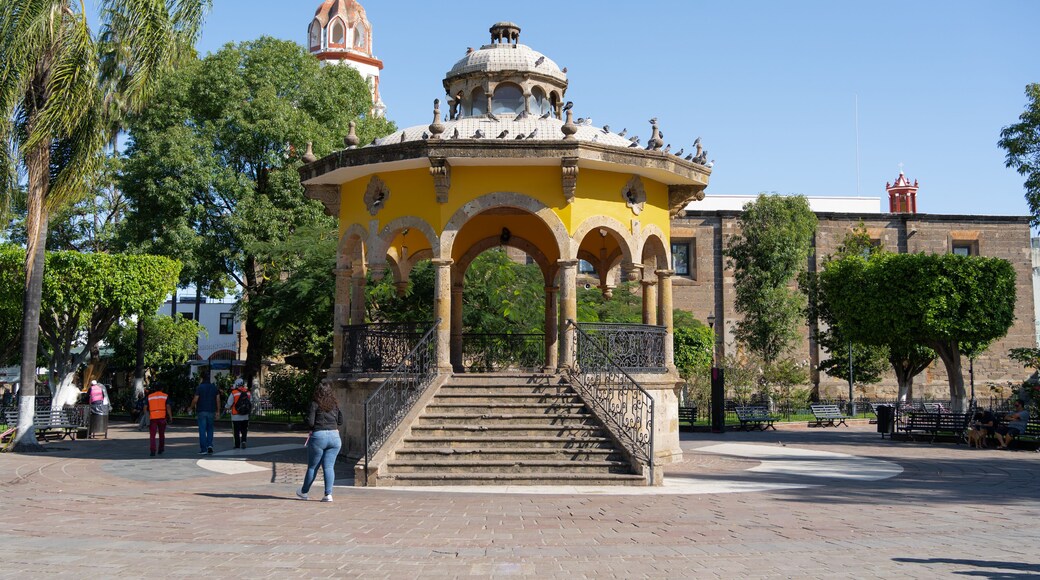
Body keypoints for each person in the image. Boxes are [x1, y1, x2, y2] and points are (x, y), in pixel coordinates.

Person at [296, 383, 343, 502]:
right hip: (334, 436)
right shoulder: (334, 405)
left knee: (313, 467)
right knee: (329, 466)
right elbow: (340, 421)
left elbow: (311, 422)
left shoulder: (315, 404)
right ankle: (328, 494)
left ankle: (304, 492)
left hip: (319, 436)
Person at [191, 372, 220, 455]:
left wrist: (191, 407)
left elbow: (195, 399)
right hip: (211, 411)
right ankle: (210, 445)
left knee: (202, 430)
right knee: (210, 428)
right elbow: (218, 400)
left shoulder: (199, 387)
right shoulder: (214, 387)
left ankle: (203, 449)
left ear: (202, 378)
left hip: (201, 411)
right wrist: (218, 411)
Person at [146, 384, 172, 457]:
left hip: (153, 418)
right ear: (162, 388)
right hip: (162, 417)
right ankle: (161, 449)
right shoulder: (165, 396)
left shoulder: (150, 396)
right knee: (161, 434)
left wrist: (146, 416)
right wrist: (170, 416)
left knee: (152, 435)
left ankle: (152, 451)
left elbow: (145, 407)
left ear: (154, 389)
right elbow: (168, 406)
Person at [225, 378, 251, 449]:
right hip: (245, 415)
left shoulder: (234, 393)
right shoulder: (248, 392)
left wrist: (225, 408)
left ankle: (237, 445)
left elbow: (229, 404)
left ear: (236, 384)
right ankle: (244, 441)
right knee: (244, 430)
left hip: (236, 415)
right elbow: (250, 403)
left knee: (236, 431)